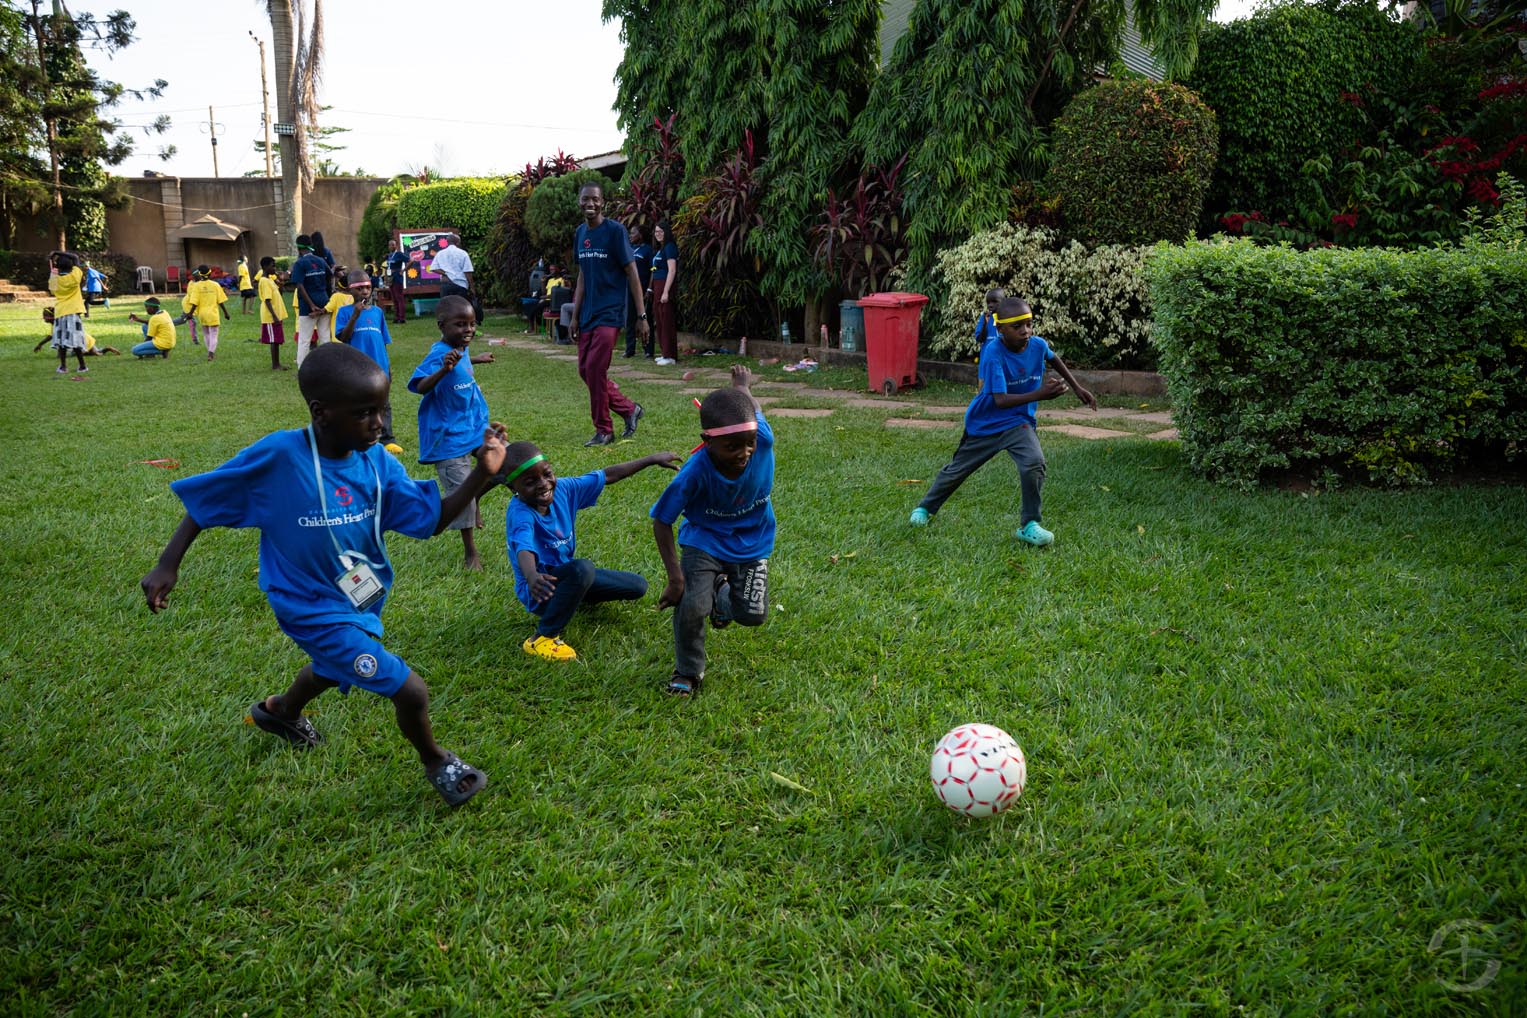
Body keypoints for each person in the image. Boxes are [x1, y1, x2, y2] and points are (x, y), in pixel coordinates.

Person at [139, 342, 506, 807]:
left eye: (381, 409)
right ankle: (437, 761)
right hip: (306, 606)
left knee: (332, 670)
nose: (378, 423)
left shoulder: (377, 462)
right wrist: (168, 562)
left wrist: (482, 474)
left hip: (358, 600)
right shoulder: (279, 456)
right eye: (363, 413)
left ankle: (281, 711)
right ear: (322, 411)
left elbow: (430, 521)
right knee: (410, 689)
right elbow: (207, 503)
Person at [909, 296, 1097, 546]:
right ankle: (925, 509)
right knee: (957, 470)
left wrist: (1077, 387)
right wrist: (1041, 393)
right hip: (986, 423)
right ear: (1000, 329)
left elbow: (1052, 358)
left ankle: (1030, 524)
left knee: (1034, 463)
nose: (1025, 331)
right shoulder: (993, 352)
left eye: (1029, 324)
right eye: (1017, 326)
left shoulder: (1037, 344)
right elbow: (1000, 400)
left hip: (1019, 421)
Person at [650, 365, 775, 697]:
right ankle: (688, 671)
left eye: (748, 444)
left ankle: (722, 595)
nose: (743, 454)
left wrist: (742, 385)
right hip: (704, 539)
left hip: (753, 541)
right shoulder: (693, 473)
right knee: (692, 606)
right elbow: (662, 520)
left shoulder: (762, 439)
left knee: (752, 615)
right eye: (731, 447)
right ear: (707, 442)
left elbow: (754, 410)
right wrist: (676, 577)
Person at [503, 441, 681, 661]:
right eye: (530, 482)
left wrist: (651, 459)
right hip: (540, 589)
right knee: (582, 569)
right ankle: (542, 637)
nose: (543, 484)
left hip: (566, 577)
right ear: (513, 489)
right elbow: (523, 546)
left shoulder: (563, 490)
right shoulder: (520, 513)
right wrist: (531, 576)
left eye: (547, 474)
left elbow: (607, 475)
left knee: (637, 586)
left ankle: (574, 596)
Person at [408, 295, 497, 570]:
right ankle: (471, 552)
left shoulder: (461, 346)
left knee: (500, 464)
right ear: (442, 326)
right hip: (447, 436)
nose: (468, 330)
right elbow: (420, 386)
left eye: (471, 324)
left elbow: (463, 363)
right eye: (460, 324)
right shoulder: (439, 354)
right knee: (460, 491)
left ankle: (475, 494)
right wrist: (443, 370)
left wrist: (477, 360)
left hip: (470, 425)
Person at [572, 182, 648, 446]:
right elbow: (582, 275)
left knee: (595, 368)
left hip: (611, 312)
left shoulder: (615, 231)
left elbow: (632, 272)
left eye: (594, 199)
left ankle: (604, 429)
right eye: (585, 199)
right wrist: (574, 314)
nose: (589, 204)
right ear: (579, 202)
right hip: (588, 314)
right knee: (585, 370)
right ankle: (628, 409)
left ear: (602, 202)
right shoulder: (580, 233)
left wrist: (641, 316)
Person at [335, 268, 401, 453]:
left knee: (383, 404)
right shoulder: (344, 312)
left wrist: (387, 367)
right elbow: (343, 337)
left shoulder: (378, 313)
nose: (364, 291)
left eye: (367, 287)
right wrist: (355, 315)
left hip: (379, 367)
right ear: (350, 290)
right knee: (359, 403)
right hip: (357, 368)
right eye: (359, 288)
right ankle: (359, 436)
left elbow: (383, 342)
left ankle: (387, 439)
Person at [290, 235, 333, 367]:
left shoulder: (299, 263)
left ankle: (302, 369)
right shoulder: (320, 260)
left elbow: (299, 285)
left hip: (308, 307)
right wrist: (328, 297)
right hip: (324, 302)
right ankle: (329, 367)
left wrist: (311, 305)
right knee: (325, 337)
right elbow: (330, 277)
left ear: (298, 248)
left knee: (304, 339)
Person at [46, 251, 89, 375]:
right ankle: (82, 366)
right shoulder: (75, 276)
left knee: (62, 340)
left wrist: (53, 262)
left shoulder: (54, 279)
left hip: (60, 312)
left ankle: (63, 366)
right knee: (75, 339)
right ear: (71, 266)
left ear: (57, 267)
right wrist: (56, 253)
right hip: (73, 312)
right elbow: (75, 257)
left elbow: (52, 289)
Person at [431, 233, 482, 326]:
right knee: (461, 306)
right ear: (457, 242)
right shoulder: (463, 253)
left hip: (446, 284)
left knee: (446, 307)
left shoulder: (440, 253)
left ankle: (447, 326)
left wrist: (445, 273)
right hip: (460, 284)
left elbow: (433, 268)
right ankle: (461, 325)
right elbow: (468, 272)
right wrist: (472, 287)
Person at [184, 263, 231, 361]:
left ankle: (209, 351)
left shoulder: (196, 286)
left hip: (202, 314)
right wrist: (226, 313)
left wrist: (190, 313)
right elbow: (220, 301)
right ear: (210, 274)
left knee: (206, 334)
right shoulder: (215, 285)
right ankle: (211, 353)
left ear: (200, 274)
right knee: (214, 333)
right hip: (213, 314)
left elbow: (194, 302)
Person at [650, 220, 680, 365]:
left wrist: (666, 291)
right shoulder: (660, 249)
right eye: (656, 232)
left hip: (665, 286)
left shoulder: (670, 247)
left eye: (661, 232)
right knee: (660, 319)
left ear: (666, 232)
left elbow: (672, 270)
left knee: (666, 319)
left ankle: (670, 355)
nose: (658, 234)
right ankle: (664, 353)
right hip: (657, 285)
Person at [34, 307, 121, 355]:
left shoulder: (58, 323)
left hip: (85, 341)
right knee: (93, 352)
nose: (44, 318)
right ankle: (107, 349)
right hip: (79, 341)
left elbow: (51, 337)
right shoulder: (55, 324)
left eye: (45, 316)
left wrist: (39, 344)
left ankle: (108, 348)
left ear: (52, 316)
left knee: (98, 354)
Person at [257, 256, 290, 370]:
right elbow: (267, 300)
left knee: (276, 340)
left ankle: (277, 363)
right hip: (270, 316)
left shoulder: (270, 279)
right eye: (273, 265)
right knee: (273, 340)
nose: (274, 268)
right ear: (265, 267)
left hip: (276, 314)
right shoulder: (264, 281)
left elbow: (279, 294)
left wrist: (280, 283)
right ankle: (275, 365)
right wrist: (274, 316)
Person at [625, 226, 653, 358]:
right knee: (629, 320)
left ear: (640, 235)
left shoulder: (647, 250)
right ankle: (629, 349)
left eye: (633, 233)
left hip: (642, 289)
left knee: (644, 319)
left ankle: (648, 349)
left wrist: (649, 288)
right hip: (629, 289)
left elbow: (653, 270)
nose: (630, 235)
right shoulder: (629, 248)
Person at [385, 239, 408, 325]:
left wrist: (403, 270)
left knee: (399, 298)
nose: (391, 246)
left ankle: (402, 318)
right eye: (390, 245)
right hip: (391, 277)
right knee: (394, 298)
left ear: (396, 246)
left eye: (393, 245)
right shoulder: (390, 255)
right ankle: (396, 317)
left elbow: (411, 261)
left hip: (397, 277)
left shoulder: (399, 254)